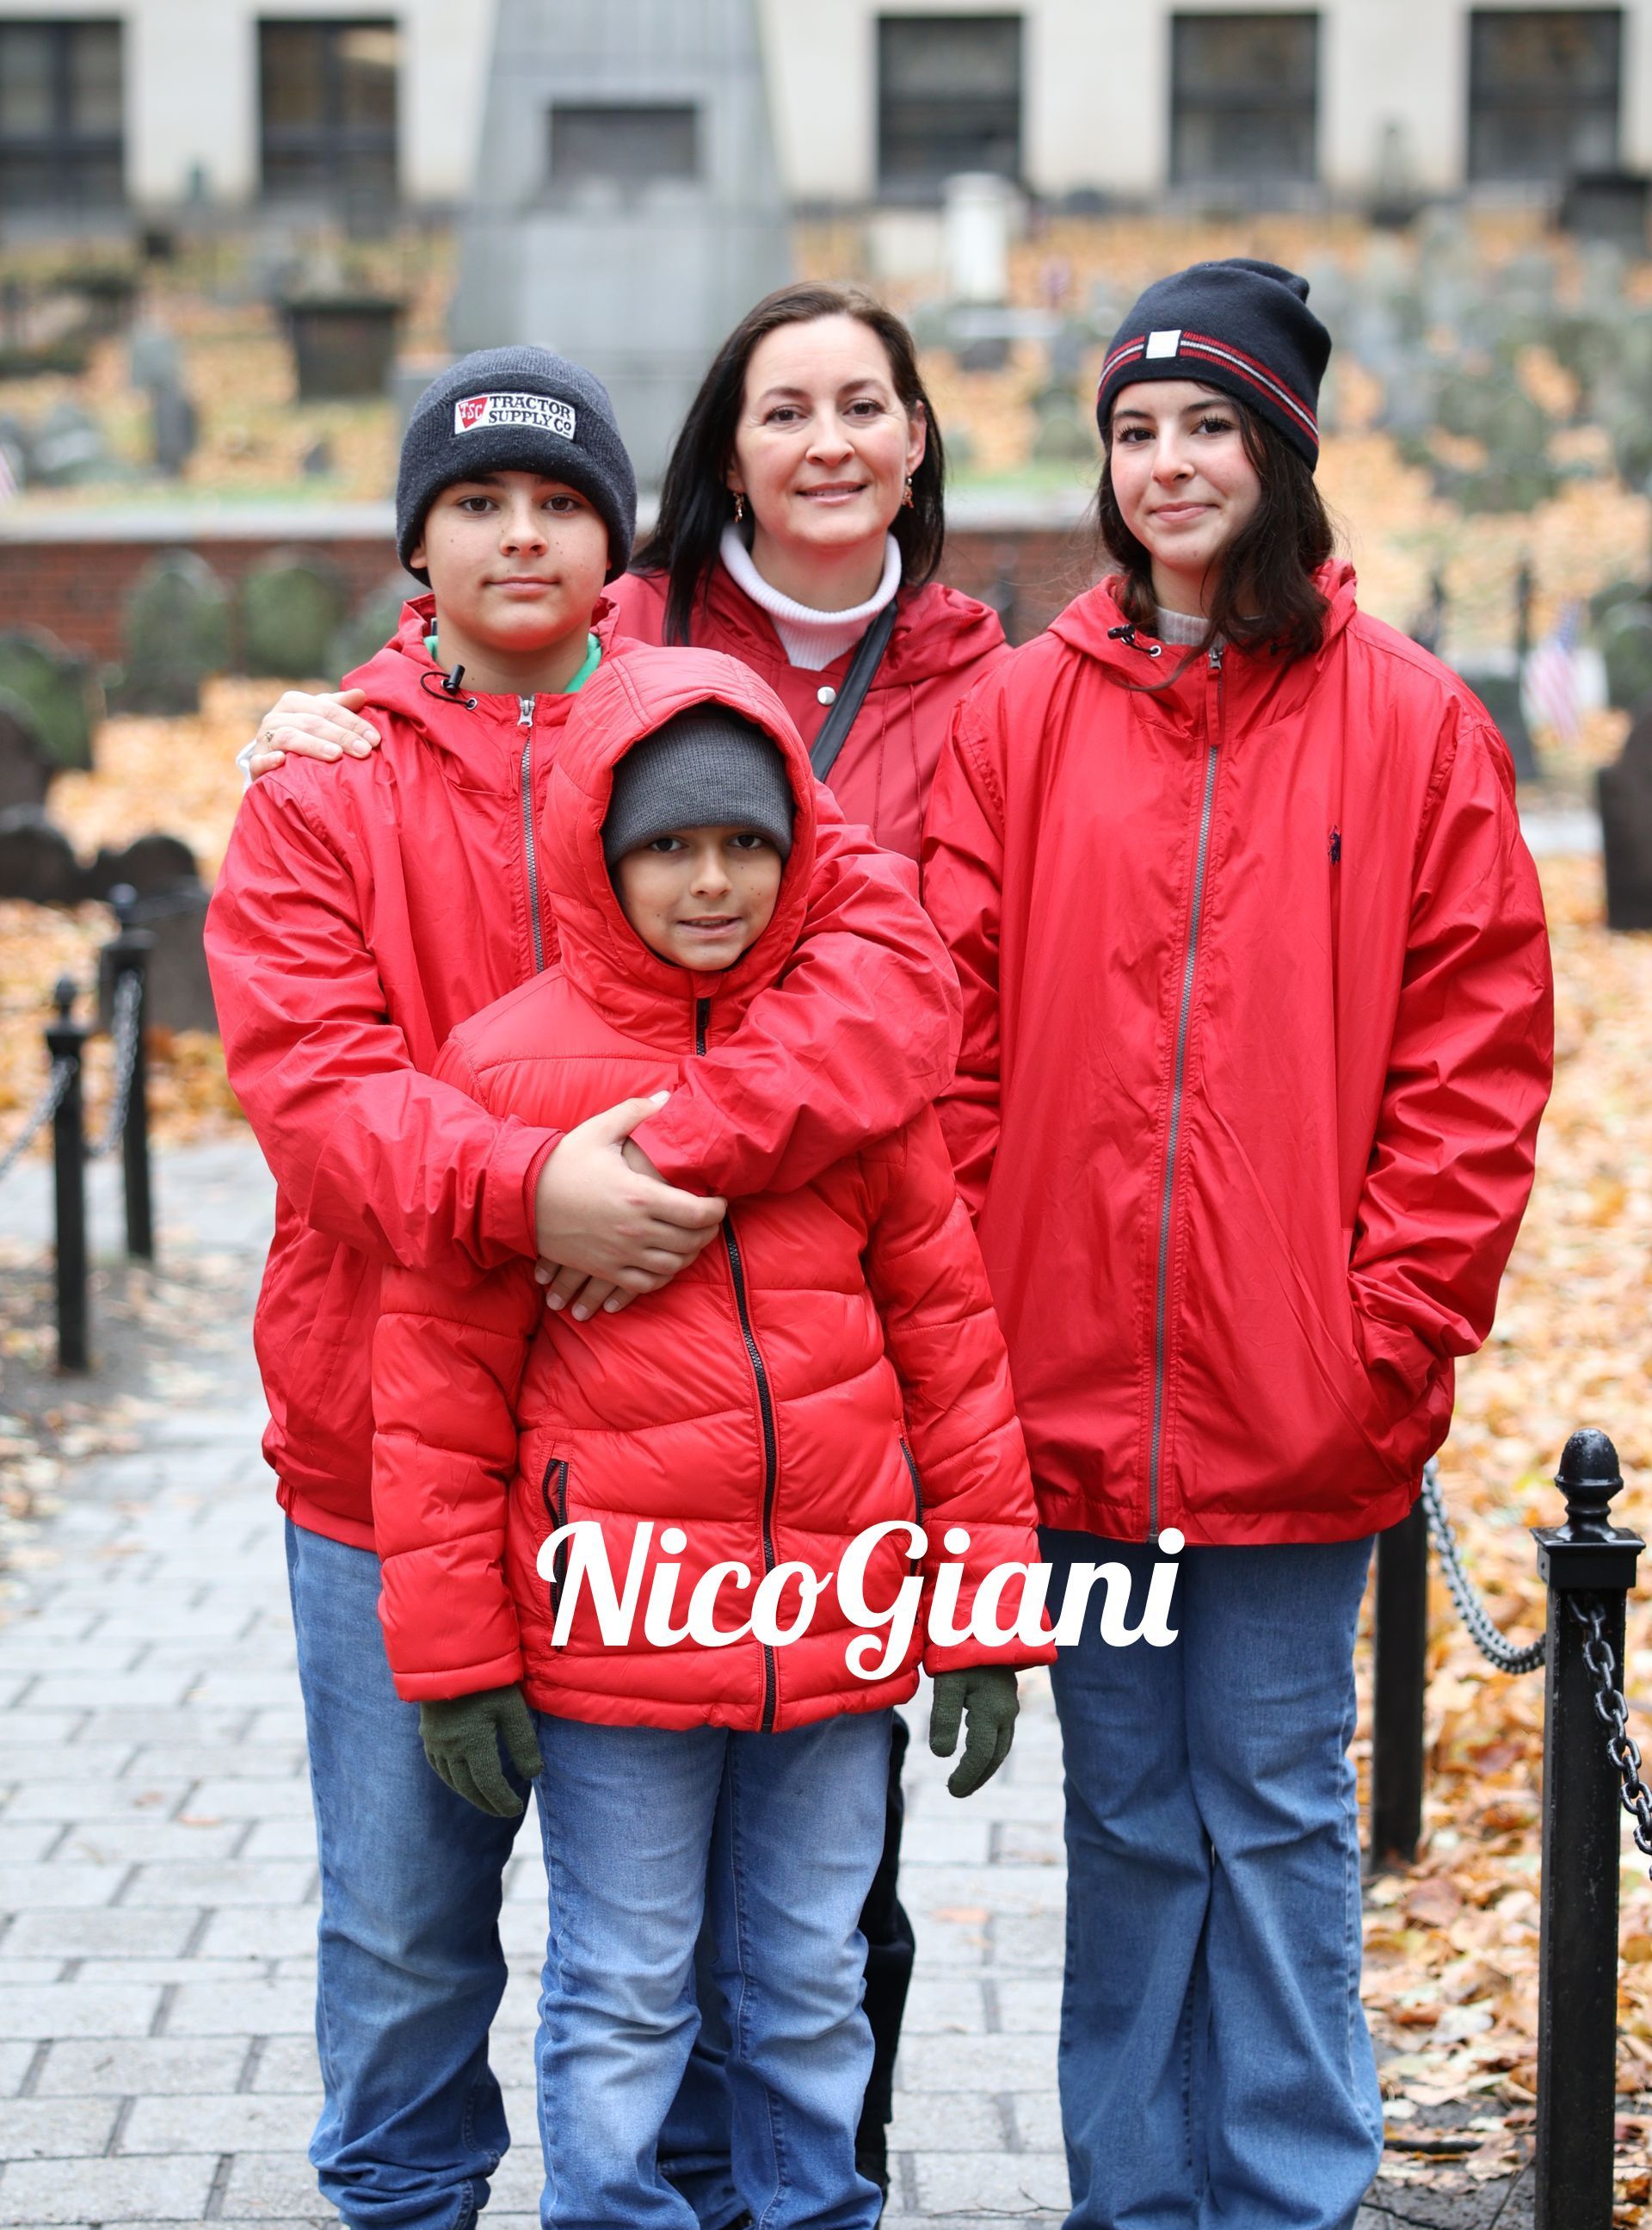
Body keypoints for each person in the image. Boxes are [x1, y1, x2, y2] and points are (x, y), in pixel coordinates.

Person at [234, 281, 1014, 2209]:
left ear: (619, 541)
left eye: (561, 504)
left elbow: (889, 979)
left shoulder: (699, 741)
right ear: (416, 541)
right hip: (394, 1446)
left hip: (689, 1479)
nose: (523, 538)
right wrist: (533, 1193)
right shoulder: (325, 782)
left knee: (701, 1956)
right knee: (410, 1935)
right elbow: (316, 1088)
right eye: (478, 503)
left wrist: (656, 1165)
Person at [920, 258, 1555, 2230]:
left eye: (1208, 425)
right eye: (1135, 430)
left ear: (1281, 450)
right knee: (1128, 1825)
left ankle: (1286, 2196)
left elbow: (1472, 1062)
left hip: (1302, 1410)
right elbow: (950, 1045)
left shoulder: (1415, 725)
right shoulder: (1019, 720)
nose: (1168, 463)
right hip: (1069, 1409)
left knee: (1276, 1819)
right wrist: (986, 1313)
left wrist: (1388, 1332)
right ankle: (1134, 2201)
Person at [369, 642, 1051, 2230]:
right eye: (668, 844)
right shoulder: (507, 1072)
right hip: (614, 1626)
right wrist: (457, 1656)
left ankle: (813, 2212)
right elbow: (439, 1397)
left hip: (832, 1612)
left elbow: (951, 1355)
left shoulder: (848, 1067)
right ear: (598, 853)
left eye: (747, 842)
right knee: (623, 1982)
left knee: (808, 1976)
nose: (712, 881)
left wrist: (985, 1617)